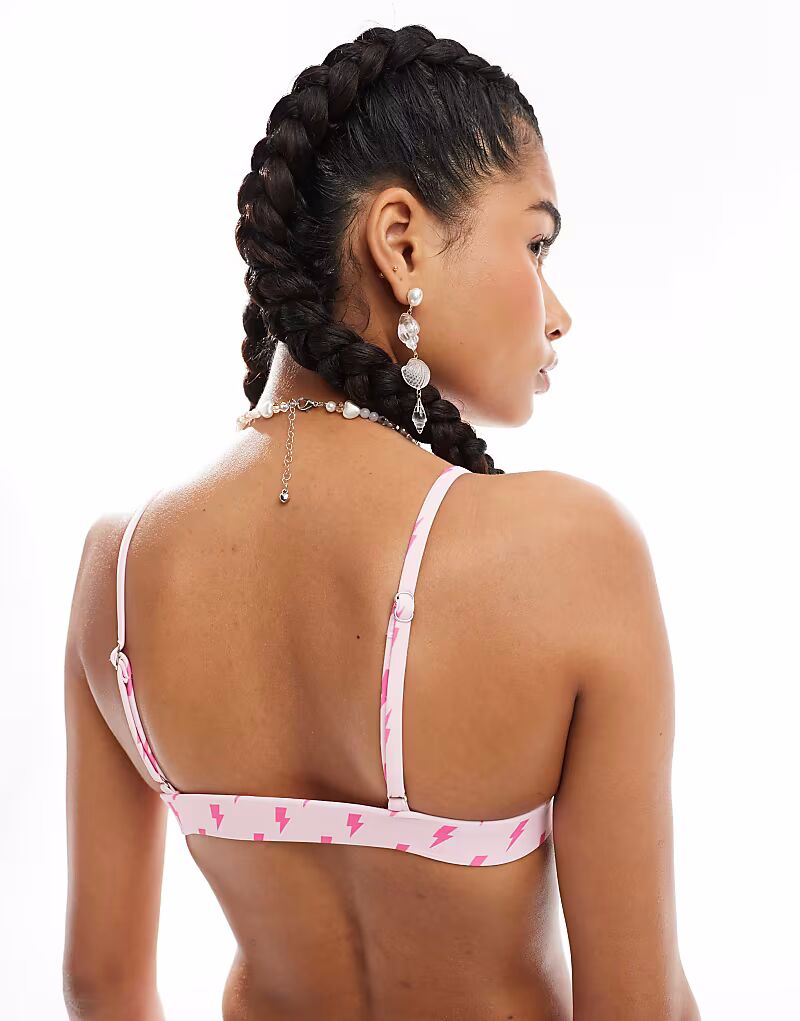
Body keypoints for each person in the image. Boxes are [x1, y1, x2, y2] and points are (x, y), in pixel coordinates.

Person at [62, 23, 700, 1021]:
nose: (557, 312)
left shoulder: (121, 566)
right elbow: (639, 1008)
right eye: (534, 244)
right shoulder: (570, 553)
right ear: (400, 242)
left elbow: (100, 985)